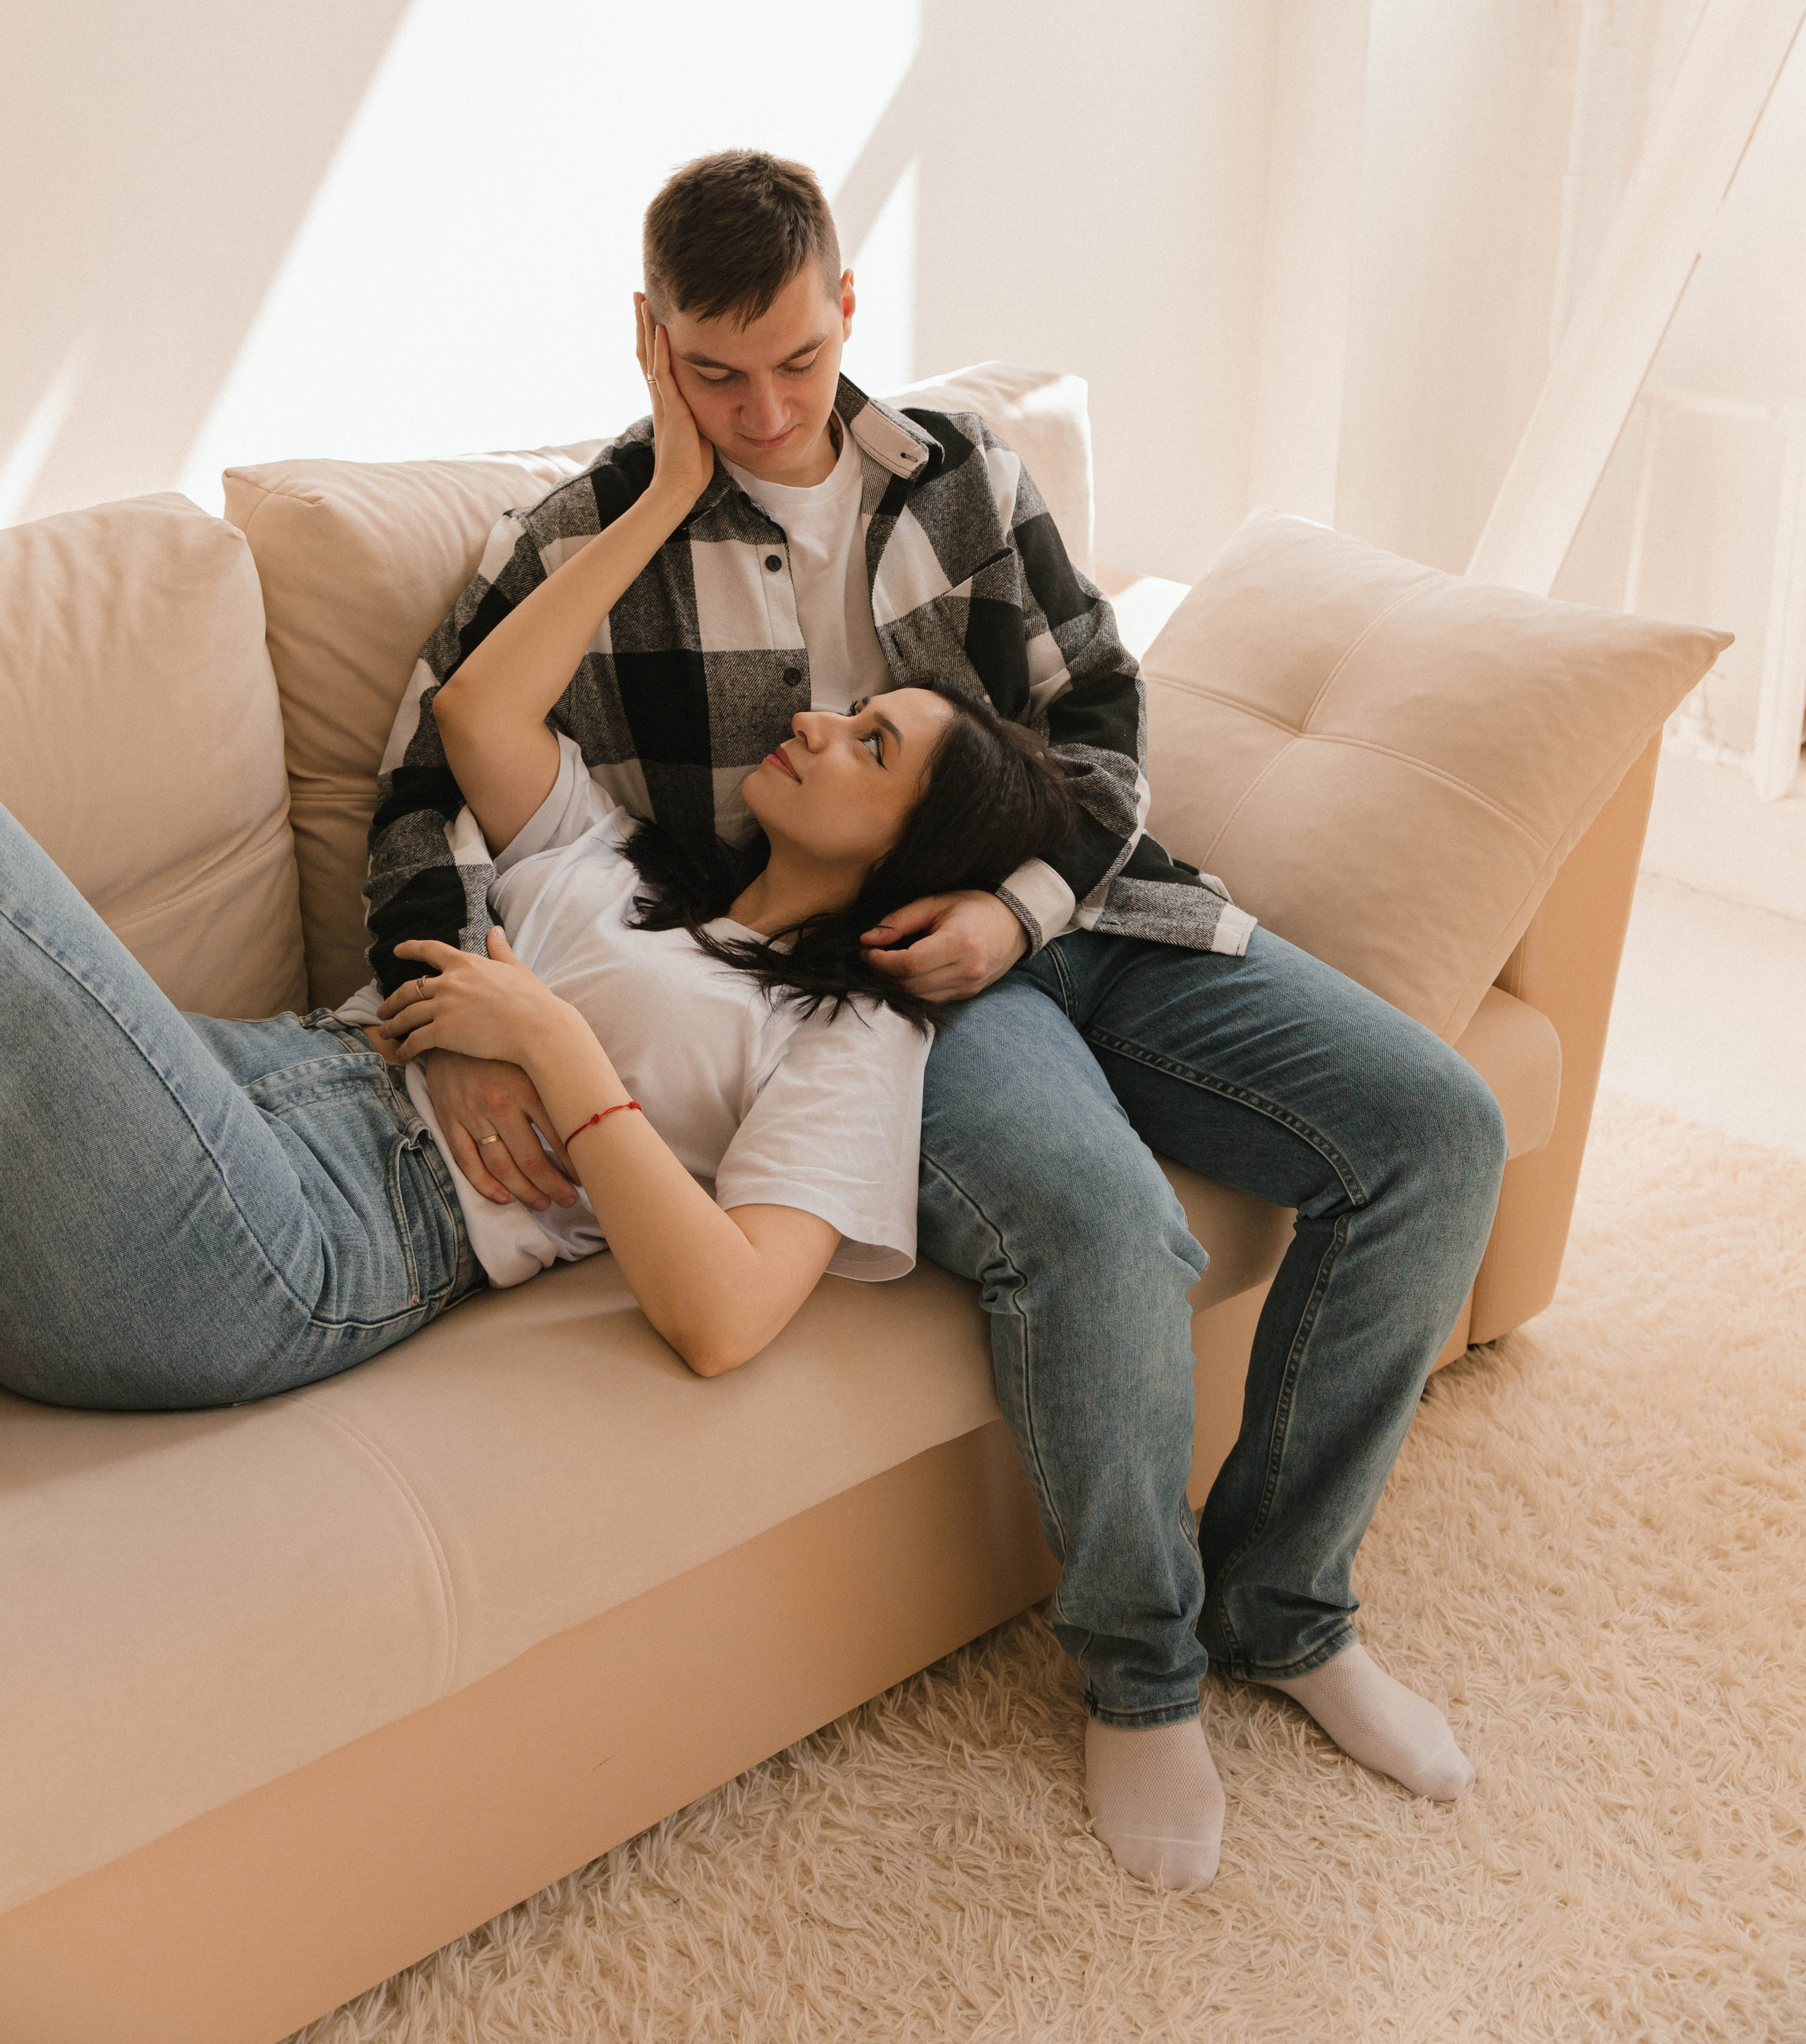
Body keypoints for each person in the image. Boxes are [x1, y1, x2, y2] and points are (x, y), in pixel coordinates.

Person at [365, 149, 1510, 1892]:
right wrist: (451, 1012)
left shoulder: (963, 471)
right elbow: (425, 774)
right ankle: (1141, 1674)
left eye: (795, 361)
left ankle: (1284, 1611)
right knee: (1098, 1230)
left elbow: (1102, 714)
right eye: (712, 371)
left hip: (1079, 903)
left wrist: (1016, 907)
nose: (761, 411)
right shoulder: (588, 534)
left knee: (1437, 1131)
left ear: (845, 306)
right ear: (650, 336)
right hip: (874, 979)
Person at [0, 339, 1072, 1415]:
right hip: (249, 1075)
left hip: (298, 1232)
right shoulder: (617, 853)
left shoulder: (853, 1033)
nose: (814, 723)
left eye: (870, 746)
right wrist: (668, 496)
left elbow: (727, 1318)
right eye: (851, 712)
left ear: (911, 852)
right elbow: (475, 713)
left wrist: (549, 1039)